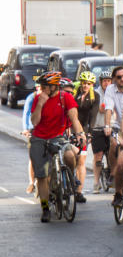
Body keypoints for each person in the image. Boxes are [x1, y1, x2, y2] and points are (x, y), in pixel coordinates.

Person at [29, 72, 86, 223]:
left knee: (69, 155)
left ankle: (71, 177)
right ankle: (45, 207)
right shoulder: (37, 99)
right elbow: (34, 122)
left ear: (54, 86)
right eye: (41, 86)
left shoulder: (65, 97)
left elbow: (74, 118)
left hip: (58, 137)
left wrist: (80, 133)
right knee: (42, 176)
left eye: (44, 86)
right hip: (40, 138)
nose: (42, 89)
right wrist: (41, 103)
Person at [103, 65, 123, 210]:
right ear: (114, 79)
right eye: (119, 77)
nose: (122, 79)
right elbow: (109, 108)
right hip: (120, 126)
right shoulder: (110, 89)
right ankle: (116, 185)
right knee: (114, 145)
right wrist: (107, 125)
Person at [71, 71, 100, 203]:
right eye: (83, 83)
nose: (85, 85)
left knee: (81, 161)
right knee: (71, 158)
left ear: (92, 84)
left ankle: (79, 192)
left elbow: (93, 116)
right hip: (72, 129)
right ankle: (68, 180)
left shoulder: (95, 96)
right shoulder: (75, 93)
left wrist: (89, 133)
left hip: (85, 131)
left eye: (88, 83)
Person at [21, 85, 40, 193]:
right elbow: (26, 114)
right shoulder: (31, 98)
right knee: (32, 158)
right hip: (33, 129)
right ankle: (31, 182)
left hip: (45, 130)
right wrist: (26, 129)